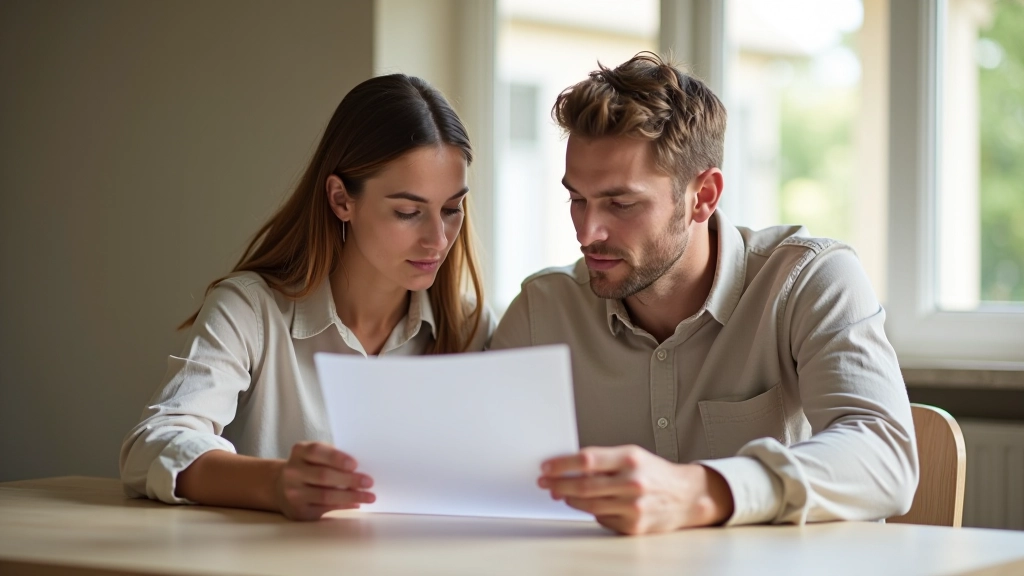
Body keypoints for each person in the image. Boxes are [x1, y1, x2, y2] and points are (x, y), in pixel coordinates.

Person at [490, 53, 918, 535]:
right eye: (577, 199)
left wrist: (701, 490)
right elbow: (471, 467)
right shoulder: (542, 311)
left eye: (621, 203)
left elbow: (885, 457)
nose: (588, 232)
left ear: (704, 195)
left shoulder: (809, 280)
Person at [120, 74, 494, 521]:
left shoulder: (471, 325)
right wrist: (275, 483)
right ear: (341, 199)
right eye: (408, 212)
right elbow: (151, 445)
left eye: (452, 209)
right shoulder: (250, 310)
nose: (438, 239)